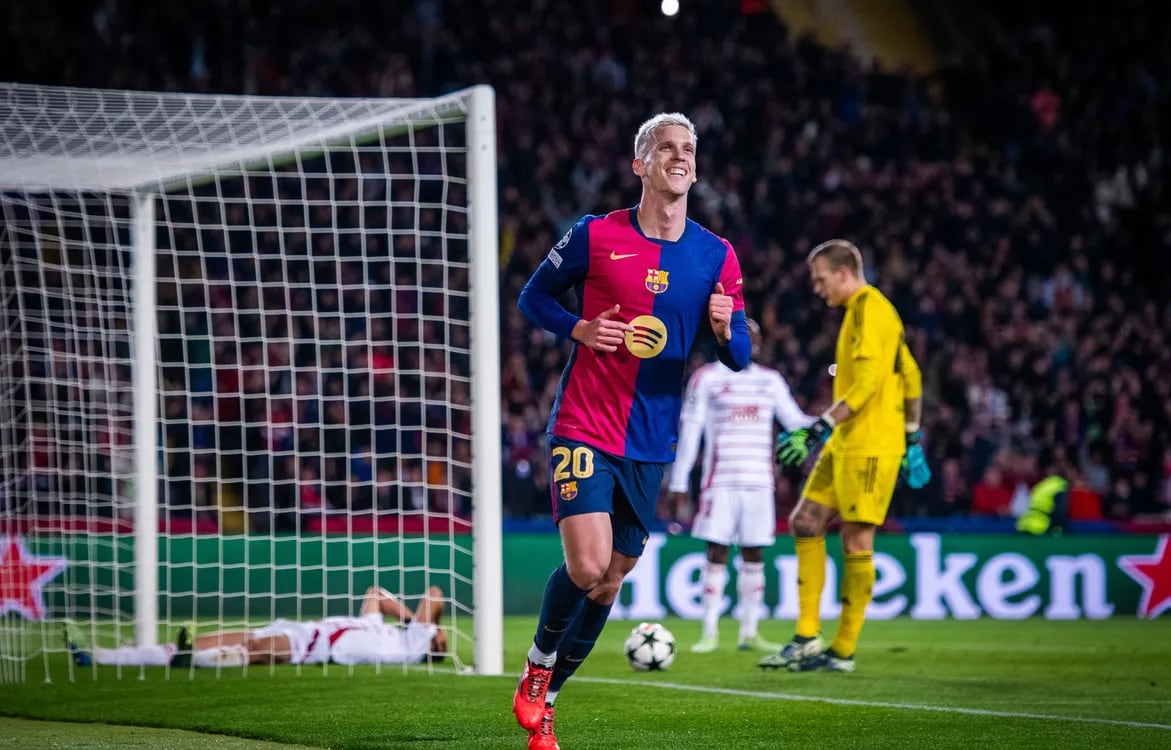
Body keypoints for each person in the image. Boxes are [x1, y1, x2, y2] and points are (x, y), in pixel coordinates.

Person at [513, 112, 751, 750]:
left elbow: (742, 355)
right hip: (584, 424)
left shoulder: (714, 255)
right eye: (667, 148)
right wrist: (581, 329)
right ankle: (537, 666)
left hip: (651, 442)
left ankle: (552, 703)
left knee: (613, 578)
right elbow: (533, 299)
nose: (681, 157)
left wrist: (728, 331)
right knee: (588, 565)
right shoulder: (595, 236)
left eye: (690, 150)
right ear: (640, 164)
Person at [761, 239, 930, 673]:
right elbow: (909, 373)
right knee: (805, 521)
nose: (817, 289)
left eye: (820, 279)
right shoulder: (860, 313)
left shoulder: (873, 309)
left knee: (856, 539)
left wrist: (820, 426)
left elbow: (870, 381)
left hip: (869, 444)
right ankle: (805, 635)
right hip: (849, 441)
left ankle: (843, 650)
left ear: (843, 272)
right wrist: (912, 435)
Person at [667, 319, 816, 654]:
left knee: (754, 553)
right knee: (716, 552)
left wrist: (830, 422)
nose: (754, 343)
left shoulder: (770, 381)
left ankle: (749, 632)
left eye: (758, 338)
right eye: (747, 337)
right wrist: (679, 481)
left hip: (759, 483)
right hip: (719, 482)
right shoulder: (707, 378)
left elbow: (795, 421)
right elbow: (691, 430)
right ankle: (709, 633)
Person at [65, 585, 447, 669]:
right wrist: (415, 620)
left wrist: (425, 627)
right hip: (303, 629)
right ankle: (99, 656)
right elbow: (375, 594)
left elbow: (433, 595)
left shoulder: (413, 645)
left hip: (314, 646)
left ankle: (198, 661)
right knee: (211, 641)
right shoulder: (393, 630)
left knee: (257, 650)